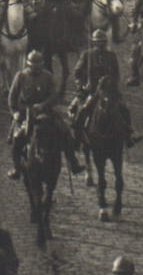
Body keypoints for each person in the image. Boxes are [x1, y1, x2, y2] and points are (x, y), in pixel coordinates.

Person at [7, 49, 85, 180]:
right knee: (18, 138)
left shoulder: (47, 76)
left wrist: (43, 105)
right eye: (33, 65)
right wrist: (14, 113)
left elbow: (54, 95)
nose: (36, 68)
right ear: (28, 64)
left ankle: (73, 162)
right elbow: (12, 97)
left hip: (46, 111)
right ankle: (16, 167)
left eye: (38, 65)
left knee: (65, 131)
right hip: (26, 112)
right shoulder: (21, 76)